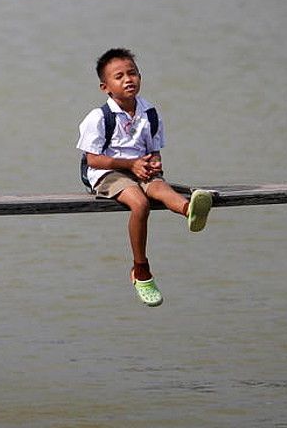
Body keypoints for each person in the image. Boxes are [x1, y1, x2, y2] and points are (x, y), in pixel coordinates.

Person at [77, 48, 211, 307]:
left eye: (133, 73)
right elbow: (93, 159)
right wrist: (131, 165)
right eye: (119, 76)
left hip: (140, 168)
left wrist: (154, 163)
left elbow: (153, 149)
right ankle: (141, 270)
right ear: (105, 87)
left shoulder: (149, 113)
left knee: (160, 188)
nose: (128, 79)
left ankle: (189, 209)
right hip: (108, 172)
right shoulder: (98, 117)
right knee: (140, 203)